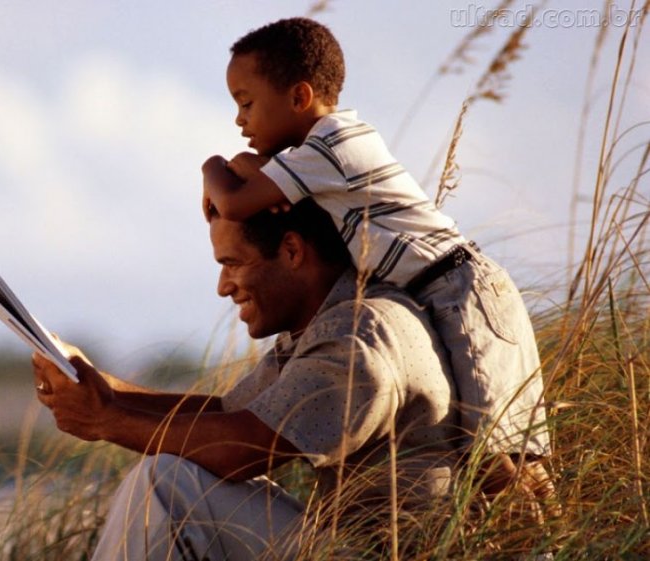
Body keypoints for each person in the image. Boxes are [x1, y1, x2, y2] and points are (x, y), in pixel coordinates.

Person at [32, 199, 464, 560]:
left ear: (293, 251)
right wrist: (105, 390)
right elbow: (227, 414)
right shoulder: (325, 325)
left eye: (232, 263)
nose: (223, 286)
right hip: (348, 547)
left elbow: (240, 450)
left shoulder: (358, 340)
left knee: (167, 483)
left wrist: (105, 421)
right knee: (169, 476)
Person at [200, 17, 549, 461]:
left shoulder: (328, 148)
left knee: (499, 458)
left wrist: (210, 166)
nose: (239, 119)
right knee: (498, 453)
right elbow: (254, 180)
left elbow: (234, 203)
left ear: (299, 96)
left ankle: (553, 527)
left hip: (461, 292)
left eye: (246, 103)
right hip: (449, 288)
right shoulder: (330, 147)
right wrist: (246, 170)